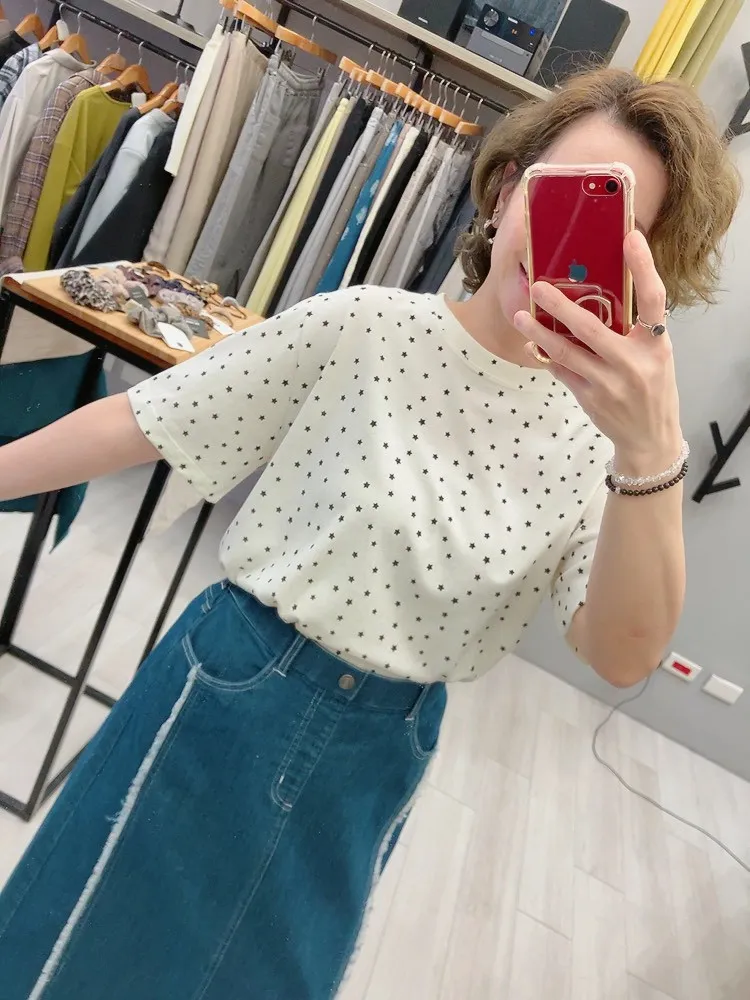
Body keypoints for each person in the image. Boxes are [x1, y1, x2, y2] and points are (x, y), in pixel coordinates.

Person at [0, 68, 740, 999]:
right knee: (73, 954)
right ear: (508, 189)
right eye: (562, 197)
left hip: (387, 744)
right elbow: (147, 420)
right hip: (233, 687)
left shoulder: (609, 445)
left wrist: (653, 451)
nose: (566, 246)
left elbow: (623, 652)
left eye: (617, 230)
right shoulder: (367, 326)